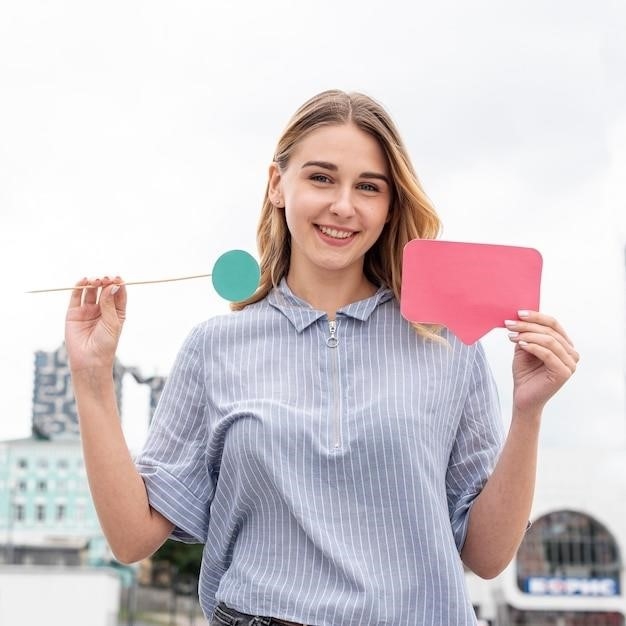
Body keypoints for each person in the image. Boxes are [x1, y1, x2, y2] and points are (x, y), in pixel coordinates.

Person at [64, 89, 579, 626]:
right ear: (277, 186)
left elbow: (488, 557)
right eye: (321, 177)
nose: (343, 205)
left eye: (369, 187)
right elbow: (130, 539)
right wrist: (93, 378)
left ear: (389, 206)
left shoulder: (446, 344)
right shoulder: (213, 347)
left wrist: (529, 413)